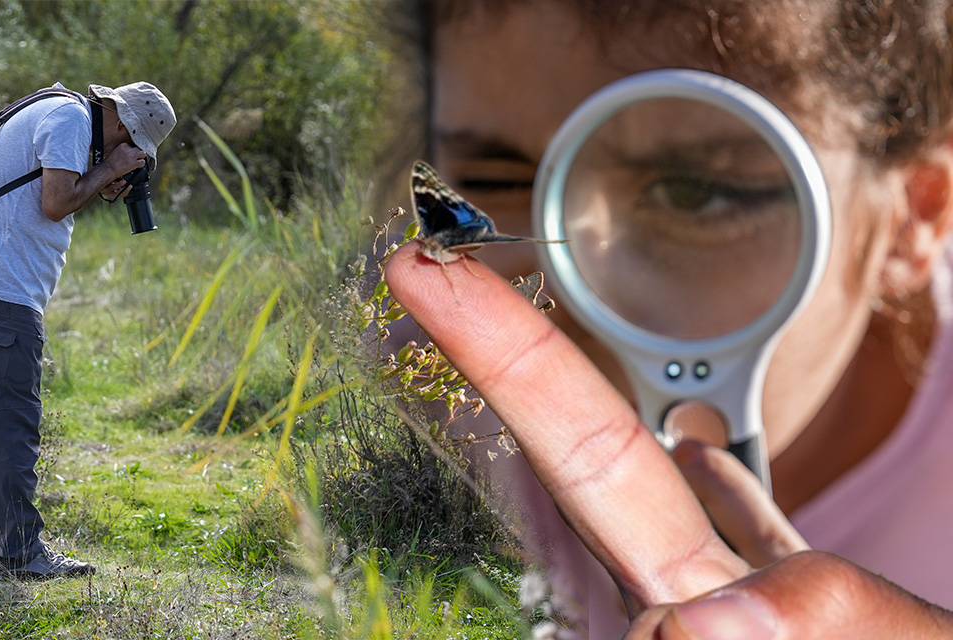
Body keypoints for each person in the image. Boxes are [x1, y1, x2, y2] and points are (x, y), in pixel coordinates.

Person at [383, 1, 953, 637]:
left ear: (914, 217)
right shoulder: (396, 402)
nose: (577, 283)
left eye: (694, 194)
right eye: (499, 177)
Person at [0, 81, 175, 580]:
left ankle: (9, 552)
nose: (129, 155)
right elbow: (54, 203)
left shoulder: (65, 115)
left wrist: (102, 174)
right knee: (12, 427)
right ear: (122, 123)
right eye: (131, 146)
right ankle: (22, 557)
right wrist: (110, 169)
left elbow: (47, 196)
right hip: (2, 289)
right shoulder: (72, 120)